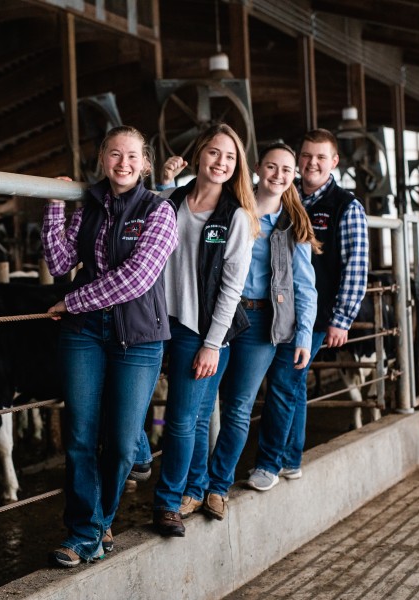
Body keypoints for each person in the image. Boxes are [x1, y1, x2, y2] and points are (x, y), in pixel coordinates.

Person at [41, 125, 178, 567]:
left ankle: (99, 522)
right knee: (81, 437)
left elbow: (138, 278)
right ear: (102, 158)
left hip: (137, 338)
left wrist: (72, 299)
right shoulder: (92, 204)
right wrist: (55, 205)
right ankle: (85, 532)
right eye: (115, 155)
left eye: (132, 156)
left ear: (145, 164)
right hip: (83, 333)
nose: (123, 164)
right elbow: (61, 263)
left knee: (120, 444)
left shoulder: (159, 211)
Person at [178, 141, 319, 521]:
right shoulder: (232, 209)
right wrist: (166, 178)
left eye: (286, 170)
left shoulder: (293, 222)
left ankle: (218, 486)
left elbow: (305, 286)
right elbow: (187, 205)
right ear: (258, 168)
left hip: (260, 323)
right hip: (220, 315)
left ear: (294, 177)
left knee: (239, 407)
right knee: (202, 407)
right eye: (271, 167)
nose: (278, 175)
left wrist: (303, 335)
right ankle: (193, 486)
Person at [150, 123, 259, 537]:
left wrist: (212, 345)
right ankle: (193, 488)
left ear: (236, 166)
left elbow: (232, 288)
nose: (221, 162)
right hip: (163, 323)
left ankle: (168, 501)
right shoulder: (172, 201)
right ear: (199, 155)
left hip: (205, 332)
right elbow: (148, 215)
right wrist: (163, 179)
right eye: (214, 153)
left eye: (230, 157)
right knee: (193, 419)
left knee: (179, 420)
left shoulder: (235, 217)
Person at [246, 128, 369, 491]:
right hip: (276, 309)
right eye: (306, 156)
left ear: (334, 162)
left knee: (284, 382)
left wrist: (341, 319)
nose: (311, 163)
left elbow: (356, 267)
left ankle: (269, 462)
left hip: (316, 315)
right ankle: (291, 458)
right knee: (293, 384)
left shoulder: (347, 206)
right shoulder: (285, 197)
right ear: (298, 160)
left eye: (320, 157)